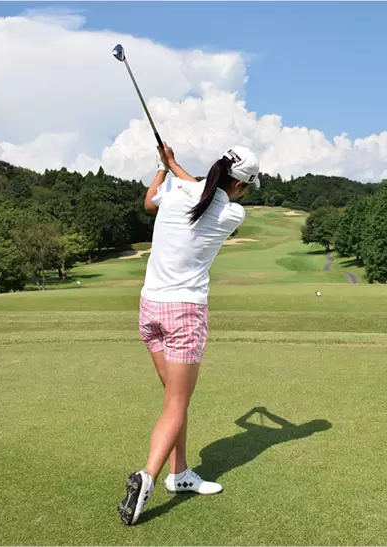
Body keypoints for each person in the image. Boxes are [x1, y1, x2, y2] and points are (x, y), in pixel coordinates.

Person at [118, 142, 260, 525]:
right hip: (183, 313)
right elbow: (204, 190)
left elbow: (150, 202)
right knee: (177, 403)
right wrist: (174, 165)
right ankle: (147, 477)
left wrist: (164, 167)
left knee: (173, 399)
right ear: (240, 185)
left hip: (149, 308)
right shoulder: (233, 212)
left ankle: (179, 473)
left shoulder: (178, 190)